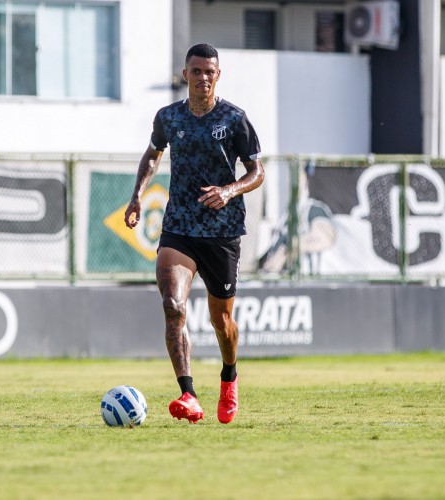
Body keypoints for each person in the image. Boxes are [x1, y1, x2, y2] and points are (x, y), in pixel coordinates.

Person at [123, 43, 264, 424]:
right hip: (179, 229)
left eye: (210, 71)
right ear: (185, 74)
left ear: (219, 75)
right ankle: (189, 394)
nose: (203, 77)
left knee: (222, 323)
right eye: (196, 71)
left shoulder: (234, 118)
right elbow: (153, 155)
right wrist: (137, 196)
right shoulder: (168, 117)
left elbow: (257, 171)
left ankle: (229, 377)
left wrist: (229, 190)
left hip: (222, 232)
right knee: (173, 306)